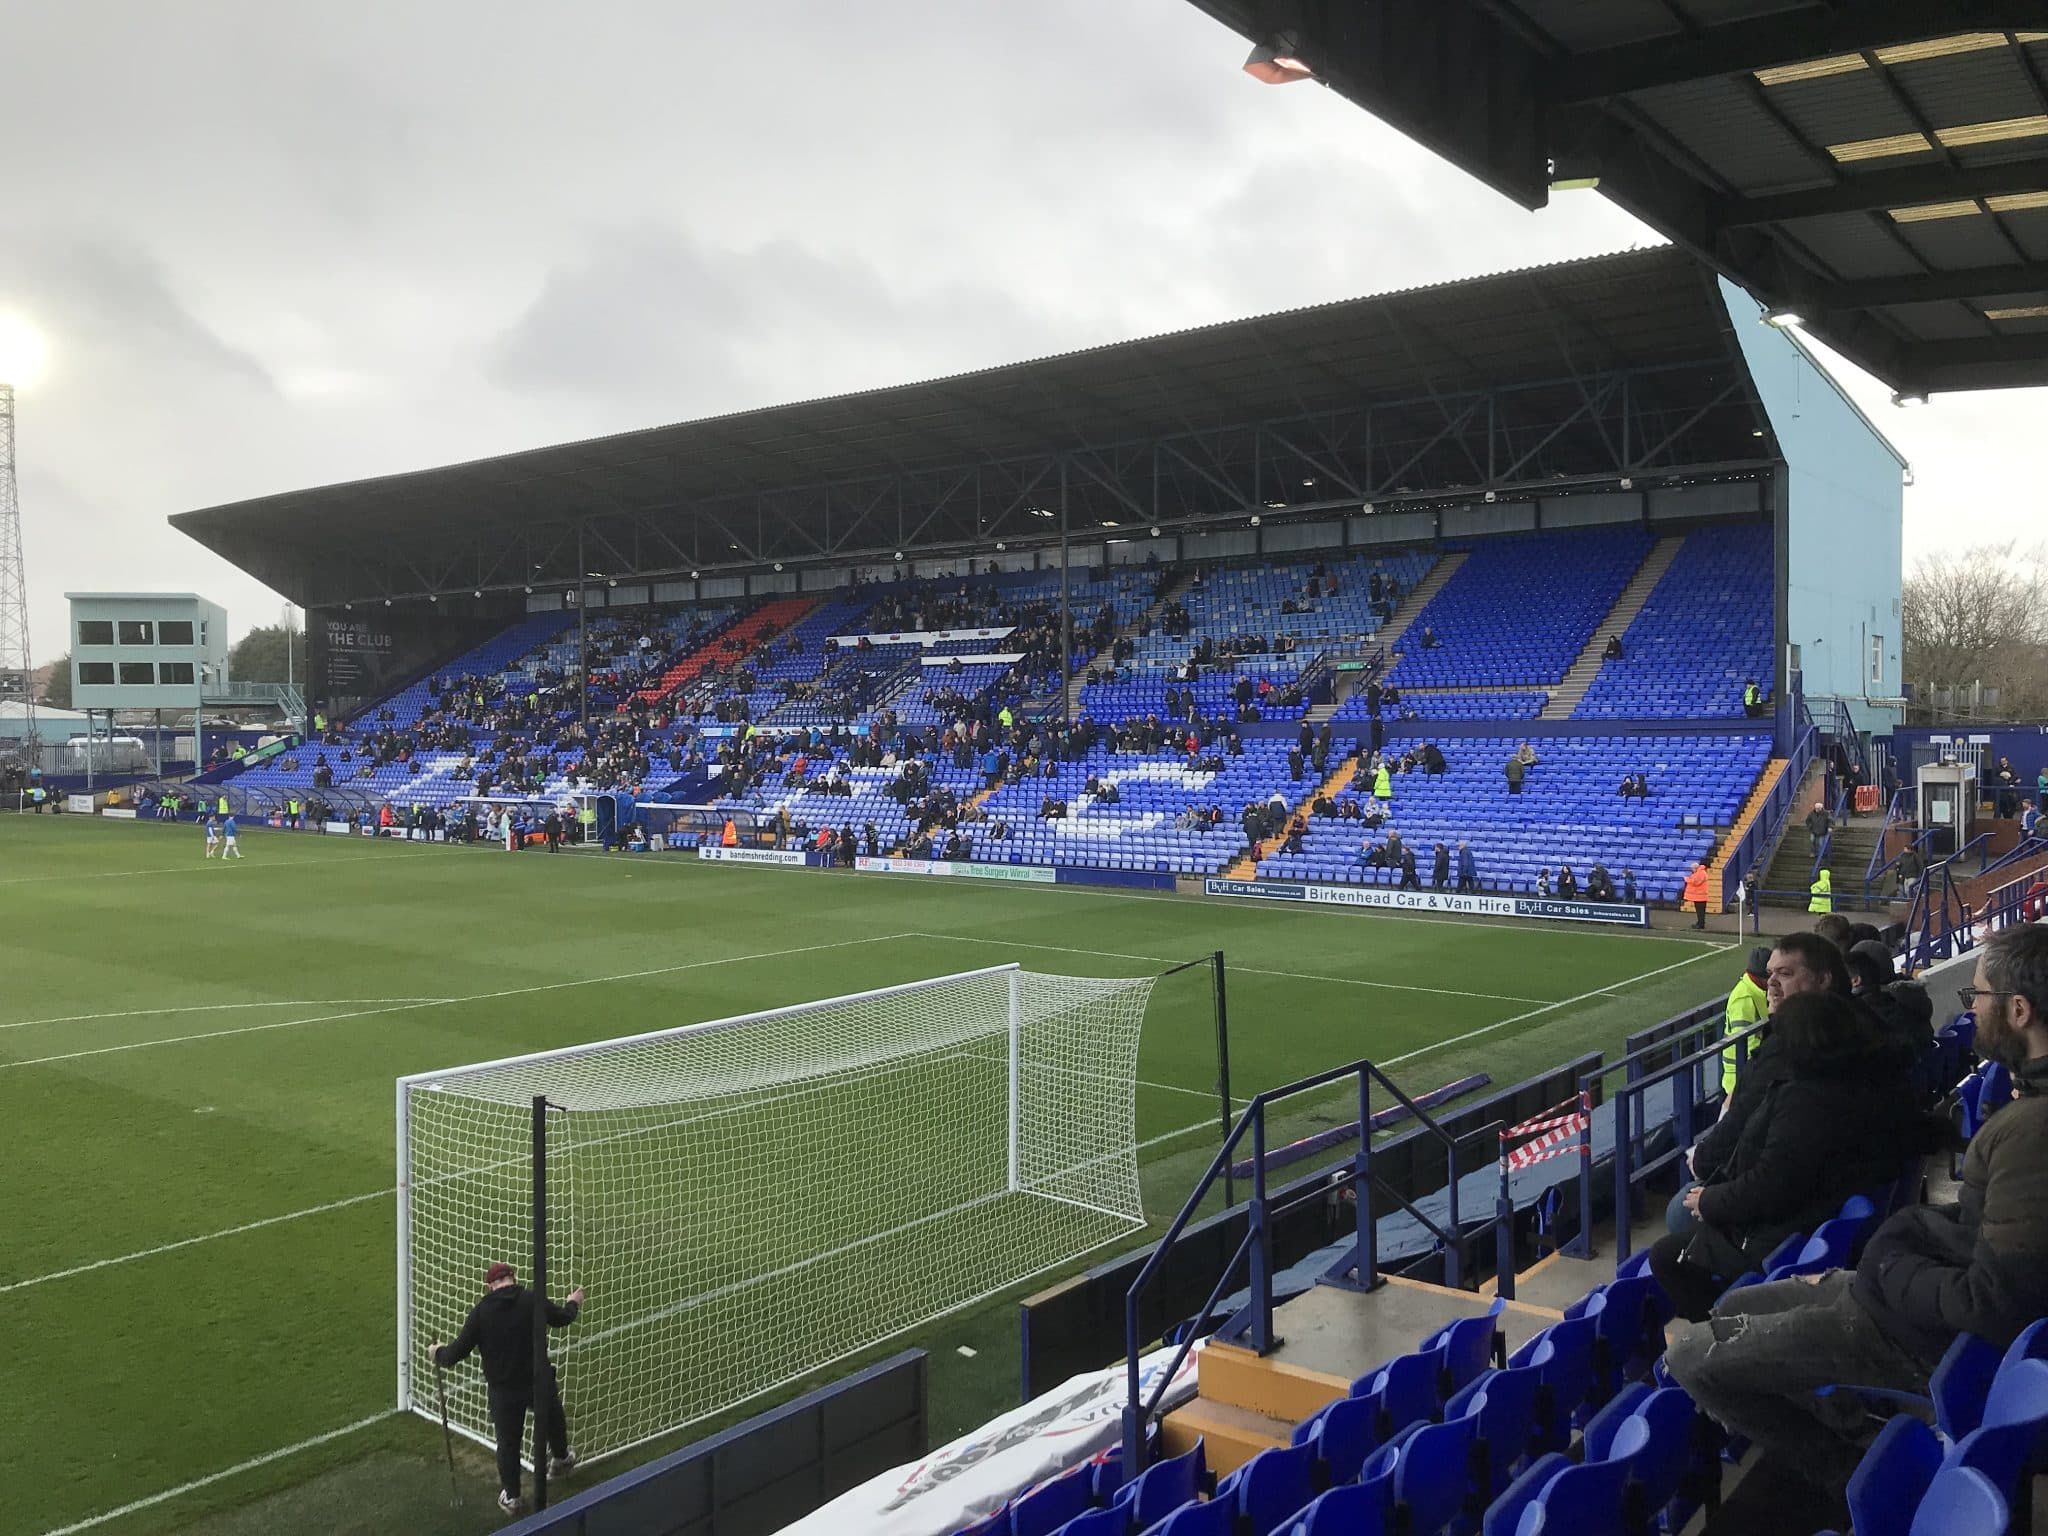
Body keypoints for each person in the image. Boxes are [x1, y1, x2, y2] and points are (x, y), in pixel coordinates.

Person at [1664, 925, 2048, 1499]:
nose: (1972, 1008)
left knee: (1690, 1360)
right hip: (1910, 1295)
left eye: (1978, 998)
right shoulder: (2021, 1109)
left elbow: (1990, 1303)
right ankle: (1846, 1418)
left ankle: (1851, 1480)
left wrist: (1887, 1266)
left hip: (1915, 1330)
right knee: (1740, 1302)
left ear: (2017, 1010)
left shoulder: (2029, 1133)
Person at [1648, 990, 1924, 1322]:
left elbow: (1772, 1183)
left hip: (1782, 1230)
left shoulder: (1807, 1099)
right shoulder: (1861, 1085)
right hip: (1805, 1220)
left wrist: (1709, 1200)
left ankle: (1722, 1334)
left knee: (1666, 1252)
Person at [431, 1262, 586, 1515]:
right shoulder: (530, 1300)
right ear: (513, 1278)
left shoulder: (481, 1312)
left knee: (508, 1442)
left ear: (490, 1286)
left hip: (503, 1390)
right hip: (538, 1379)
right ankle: (560, 1459)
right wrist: (574, 1301)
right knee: (552, 1416)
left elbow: (454, 1354)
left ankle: (512, 1496)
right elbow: (562, 1318)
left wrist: (437, 1352)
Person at [1720, 946, 1772, 1095]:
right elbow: (1745, 1044)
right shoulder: (1744, 999)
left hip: (1748, 1076)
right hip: (1738, 1081)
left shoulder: (1756, 990)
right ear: (1763, 977)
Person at [1683, 860, 1711, 930]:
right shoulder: (1699, 872)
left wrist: (1686, 879)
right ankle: (1700, 923)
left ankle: (1701, 924)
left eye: (1692, 869)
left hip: (1700, 896)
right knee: (1700, 911)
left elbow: (1696, 882)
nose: (1691, 870)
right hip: (1699, 896)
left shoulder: (1701, 873)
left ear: (1695, 868)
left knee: (1700, 911)